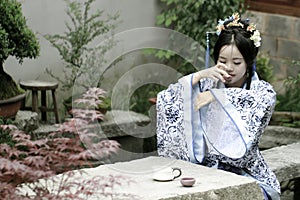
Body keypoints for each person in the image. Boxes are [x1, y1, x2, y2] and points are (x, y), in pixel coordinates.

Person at [156, 13, 280, 200]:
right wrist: (197, 76)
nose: (229, 68)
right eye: (222, 61)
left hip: (247, 170)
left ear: (249, 62)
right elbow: (166, 98)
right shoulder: (206, 83)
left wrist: (217, 95)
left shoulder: (262, 92)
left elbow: (254, 105)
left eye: (236, 62)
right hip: (206, 168)